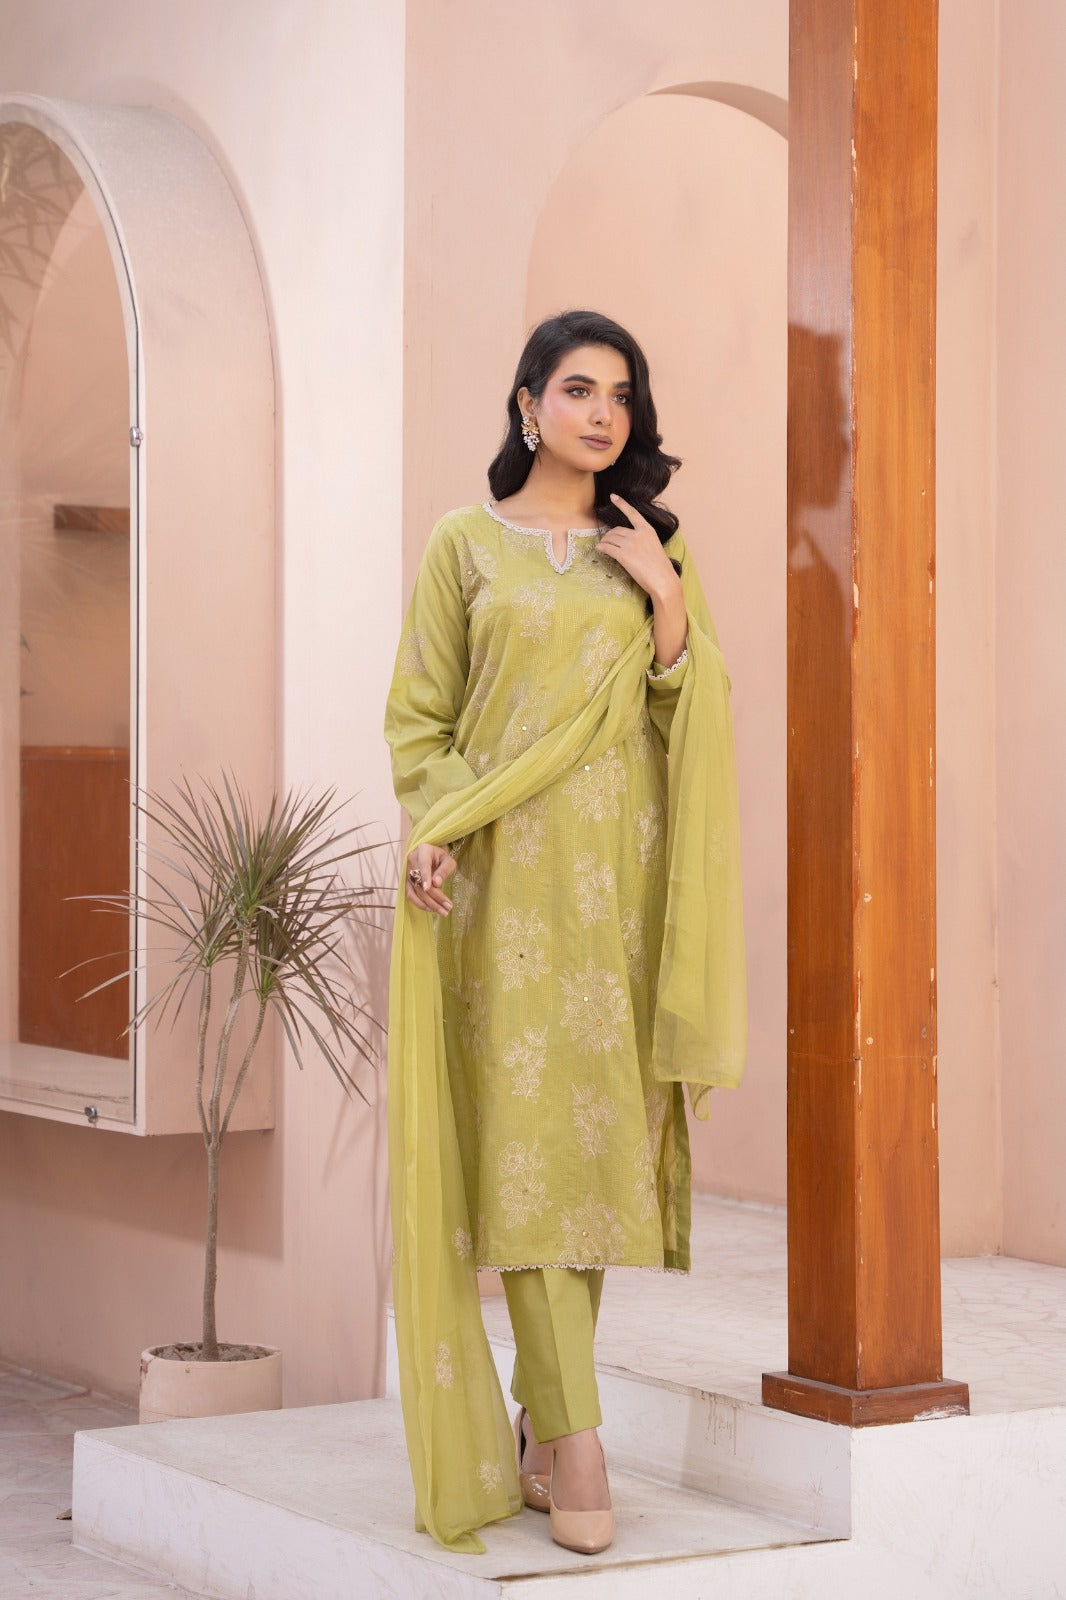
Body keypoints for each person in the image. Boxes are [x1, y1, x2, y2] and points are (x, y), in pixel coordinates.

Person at [384, 309, 746, 1557]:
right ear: (527, 403)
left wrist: (665, 599)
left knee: (590, 1154)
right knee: (528, 1149)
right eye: (579, 389)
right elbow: (420, 719)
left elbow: (688, 707)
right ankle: (580, 1442)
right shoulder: (463, 544)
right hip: (500, 889)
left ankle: (546, 1416)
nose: (603, 413)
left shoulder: (652, 544)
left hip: (620, 889)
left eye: (622, 395)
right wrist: (435, 826)